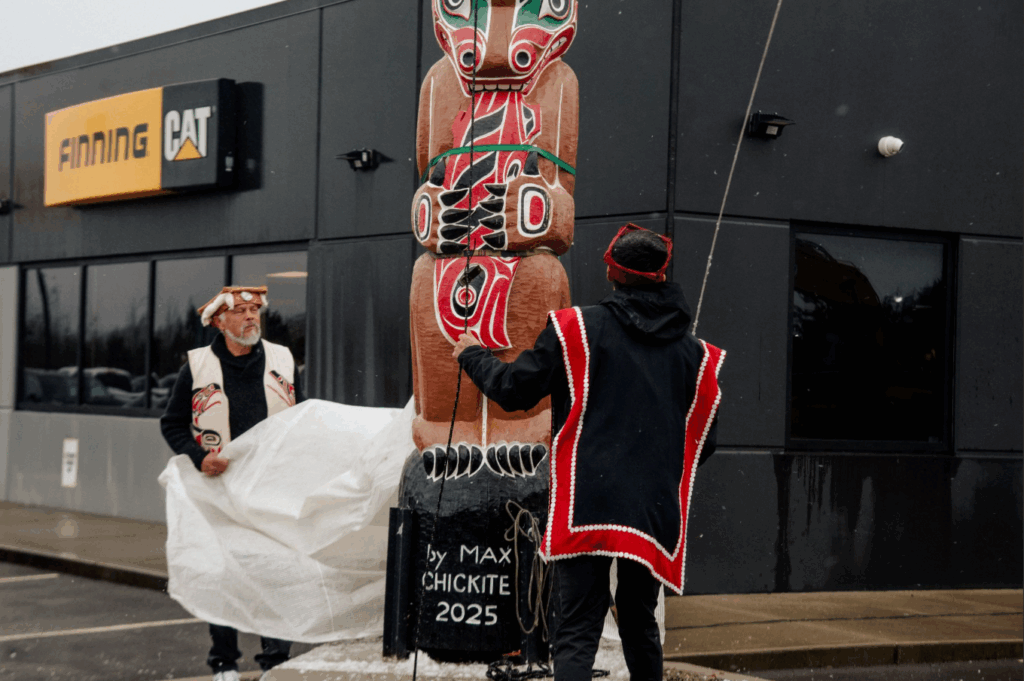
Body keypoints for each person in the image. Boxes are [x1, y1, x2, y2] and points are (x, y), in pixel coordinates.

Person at [452, 224, 725, 681]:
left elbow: (515, 390)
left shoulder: (578, 328)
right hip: (653, 507)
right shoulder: (694, 354)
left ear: (612, 273)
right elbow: (705, 441)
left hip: (589, 497)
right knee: (641, 625)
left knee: (578, 627)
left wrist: (472, 354)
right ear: (661, 276)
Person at [160, 285, 305, 681]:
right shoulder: (198, 366)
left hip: (273, 488)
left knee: (275, 572)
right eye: (240, 311)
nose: (250, 317)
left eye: (255, 310)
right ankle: (224, 662)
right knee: (225, 574)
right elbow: (172, 423)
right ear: (219, 322)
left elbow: (302, 420)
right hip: (220, 487)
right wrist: (199, 457)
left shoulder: (282, 360)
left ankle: (275, 661)